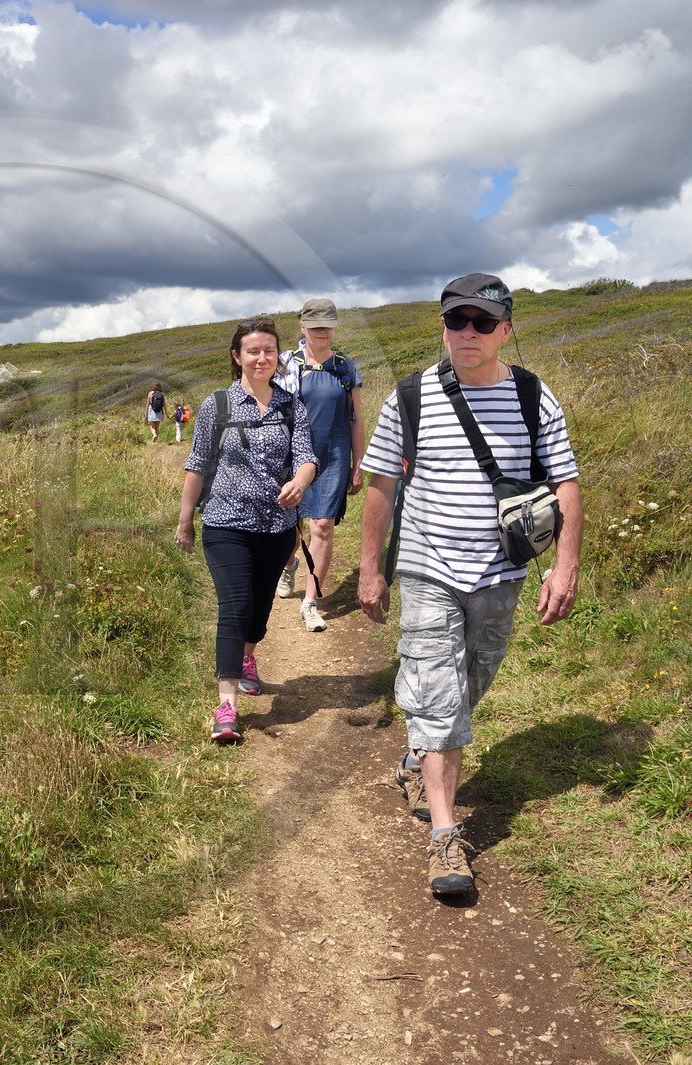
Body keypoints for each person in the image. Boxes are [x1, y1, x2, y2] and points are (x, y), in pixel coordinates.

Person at [357, 273, 583, 896]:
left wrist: (565, 566)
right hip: (428, 569)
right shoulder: (409, 396)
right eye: (457, 320)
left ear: (506, 329)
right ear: (443, 327)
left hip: (501, 573)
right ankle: (445, 838)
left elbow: (565, 483)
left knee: (471, 682)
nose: (468, 332)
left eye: (483, 322)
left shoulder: (534, 396)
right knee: (438, 694)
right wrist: (371, 569)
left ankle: (417, 756)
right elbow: (381, 486)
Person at [175, 317, 318, 744]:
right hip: (225, 524)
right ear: (237, 357)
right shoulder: (216, 405)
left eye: (269, 350)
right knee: (234, 608)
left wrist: (301, 481)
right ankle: (227, 707)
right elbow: (197, 465)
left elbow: (306, 457)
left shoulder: (291, 406)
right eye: (252, 351)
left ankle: (248, 657)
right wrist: (185, 520)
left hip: (276, 527)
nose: (261, 358)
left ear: (278, 356)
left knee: (258, 608)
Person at [276, 298, 364, 634]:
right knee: (292, 528)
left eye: (327, 325)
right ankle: (289, 563)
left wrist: (358, 463)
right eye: (315, 326)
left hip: (334, 455)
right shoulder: (287, 365)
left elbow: (356, 419)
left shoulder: (345, 368)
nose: (321, 331)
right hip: (294, 456)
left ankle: (310, 602)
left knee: (323, 526)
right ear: (303, 327)